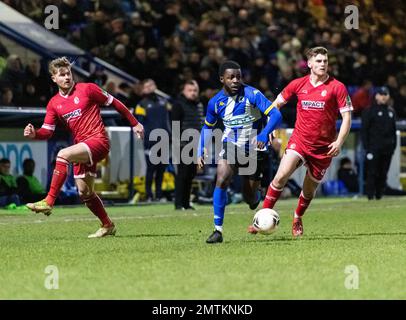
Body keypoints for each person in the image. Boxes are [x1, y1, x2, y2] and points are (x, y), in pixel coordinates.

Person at [23, 57, 144, 238]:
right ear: (53, 78)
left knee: (63, 154)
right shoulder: (54, 104)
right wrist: (35, 134)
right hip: (82, 146)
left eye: (69, 73)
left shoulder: (88, 89)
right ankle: (107, 225)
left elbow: (115, 103)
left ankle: (49, 201)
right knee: (85, 192)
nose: (67, 77)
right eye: (62, 75)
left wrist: (134, 123)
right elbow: (47, 131)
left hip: (98, 141)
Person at [248, 46, 353, 237]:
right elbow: (275, 106)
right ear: (310, 64)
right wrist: (268, 128)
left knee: (309, 189)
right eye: (319, 61)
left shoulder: (337, 87)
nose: (323, 64)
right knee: (280, 176)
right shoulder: (298, 84)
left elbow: (346, 118)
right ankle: (261, 218)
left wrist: (339, 142)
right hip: (300, 141)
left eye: (325, 61)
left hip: (324, 147)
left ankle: (297, 217)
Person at [198, 60, 283, 244]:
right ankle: (217, 230)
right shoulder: (215, 103)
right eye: (231, 77)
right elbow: (207, 127)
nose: (236, 80)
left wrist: (263, 134)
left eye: (238, 76)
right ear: (222, 79)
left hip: (254, 149)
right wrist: (200, 149)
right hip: (230, 145)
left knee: (250, 198)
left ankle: (256, 194)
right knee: (222, 178)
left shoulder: (252, 94)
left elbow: (276, 114)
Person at [135, 79, 170, 202]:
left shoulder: (164, 102)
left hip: (164, 140)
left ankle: (159, 195)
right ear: (143, 89)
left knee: (161, 169)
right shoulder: (141, 105)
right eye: (146, 86)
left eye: (151, 85)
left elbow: (168, 120)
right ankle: (149, 195)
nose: (149, 87)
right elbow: (139, 123)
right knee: (151, 168)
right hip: (150, 141)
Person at [171, 80, 204, 210]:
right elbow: (175, 125)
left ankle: (186, 203)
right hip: (183, 145)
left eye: (195, 90)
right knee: (182, 174)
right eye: (190, 90)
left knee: (191, 175)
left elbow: (201, 124)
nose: (193, 93)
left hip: (197, 145)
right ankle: (178, 203)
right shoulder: (178, 105)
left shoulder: (199, 105)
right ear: (184, 91)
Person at [361, 86, 396, 200]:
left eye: (386, 94)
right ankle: (370, 196)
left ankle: (380, 195)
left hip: (387, 148)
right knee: (372, 172)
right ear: (376, 96)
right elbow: (364, 130)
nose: (384, 96)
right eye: (381, 94)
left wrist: (393, 146)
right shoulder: (369, 111)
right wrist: (367, 147)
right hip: (374, 147)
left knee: (383, 172)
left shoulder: (391, 111)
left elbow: (393, 130)